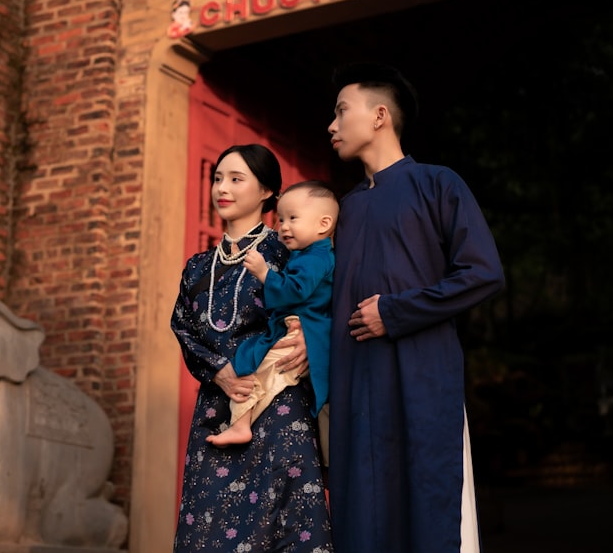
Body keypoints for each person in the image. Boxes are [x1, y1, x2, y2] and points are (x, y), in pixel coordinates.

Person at [326, 63, 504, 553]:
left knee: (431, 502)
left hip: (422, 375)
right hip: (355, 382)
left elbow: (483, 272)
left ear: (380, 115)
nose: (332, 125)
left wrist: (398, 311)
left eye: (342, 112)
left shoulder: (437, 183)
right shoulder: (347, 208)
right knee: (359, 511)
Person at [171, 144, 334, 552]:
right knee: (209, 530)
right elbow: (182, 325)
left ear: (266, 192)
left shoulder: (287, 251)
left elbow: (326, 305)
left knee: (285, 528)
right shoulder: (196, 266)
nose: (222, 188)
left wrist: (314, 344)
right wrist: (218, 371)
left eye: (236, 179)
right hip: (218, 406)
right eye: (217, 178)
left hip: (280, 408)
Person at [206, 180, 337, 448]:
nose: (283, 226)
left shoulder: (316, 258)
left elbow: (297, 290)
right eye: (280, 219)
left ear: (323, 225)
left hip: (302, 330)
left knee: (263, 372)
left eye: (292, 218)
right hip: (292, 327)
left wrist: (265, 273)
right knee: (261, 366)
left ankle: (241, 424)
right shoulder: (308, 253)